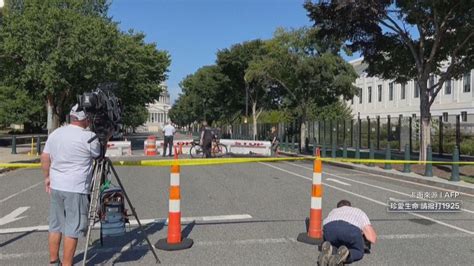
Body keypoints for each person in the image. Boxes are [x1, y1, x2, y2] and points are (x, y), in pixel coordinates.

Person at [41, 104, 100, 266]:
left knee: (55, 226)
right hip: (76, 187)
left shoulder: (56, 133)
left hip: (56, 185)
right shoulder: (88, 137)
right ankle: (68, 264)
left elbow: (45, 156)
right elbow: (98, 154)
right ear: (85, 119)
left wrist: (47, 177)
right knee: (72, 229)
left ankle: (54, 261)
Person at [318, 200, 377, 266]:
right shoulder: (358, 211)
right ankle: (346, 255)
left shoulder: (333, 211)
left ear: (338, 207)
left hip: (329, 228)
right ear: (350, 206)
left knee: (335, 244)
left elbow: (322, 231)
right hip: (349, 229)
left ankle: (328, 251)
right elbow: (372, 238)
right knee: (359, 252)